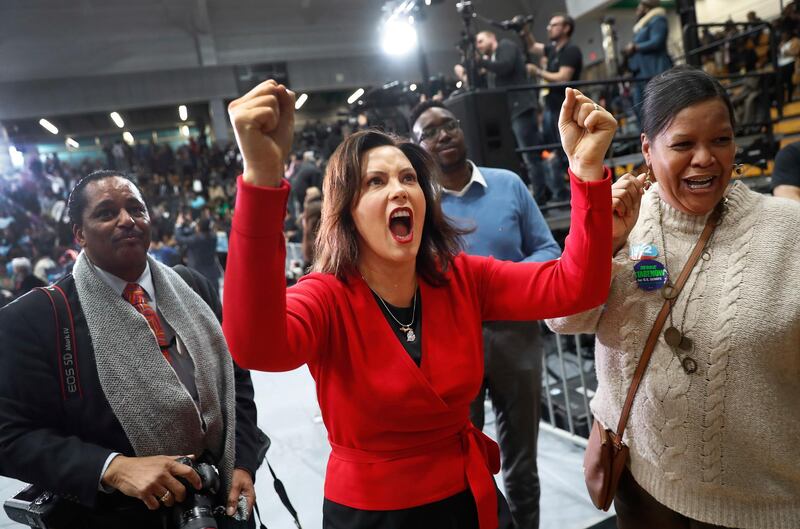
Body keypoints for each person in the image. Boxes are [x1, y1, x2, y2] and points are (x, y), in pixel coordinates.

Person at [223, 78, 616, 529]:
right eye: (376, 181)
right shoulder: (326, 296)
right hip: (372, 516)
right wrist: (260, 178)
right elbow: (254, 346)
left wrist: (586, 170)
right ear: (346, 211)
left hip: (468, 499)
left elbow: (575, 287)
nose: (399, 190)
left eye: (408, 177)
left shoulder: (461, 277)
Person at [547, 66, 800, 529]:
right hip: (642, 486)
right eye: (683, 145)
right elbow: (563, 320)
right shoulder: (624, 220)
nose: (704, 158)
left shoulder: (788, 230)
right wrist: (599, 242)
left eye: (720, 141)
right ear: (647, 150)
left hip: (761, 505)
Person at [0, 171, 264, 529]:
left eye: (136, 209)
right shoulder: (36, 318)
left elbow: (234, 380)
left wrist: (243, 463)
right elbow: (10, 435)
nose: (127, 220)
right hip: (120, 515)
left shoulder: (192, 288)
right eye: (107, 213)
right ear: (79, 233)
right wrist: (112, 467)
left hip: (217, 502)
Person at [410, 100, 561, 529]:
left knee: (522, 460)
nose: (444, 135)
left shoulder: (508, 184)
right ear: (418, 147)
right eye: (431, 131)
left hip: (516, 337)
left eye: (450, 125)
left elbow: (548, 250)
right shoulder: (416, 204)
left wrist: (498, 285)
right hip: (448, 344)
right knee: (459, 461)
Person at [521, 13, 583, 203]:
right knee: (555, 150)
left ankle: (577, 193)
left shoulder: (571, 50)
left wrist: (538, 71)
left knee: (567, 152)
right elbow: (532, 46)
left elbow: (563, 77)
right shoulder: (553, 49)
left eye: (554, 25)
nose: (549, 28)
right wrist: (524, 31)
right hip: (550, 109)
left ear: (566, 28)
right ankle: (563, 194)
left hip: (564, 108)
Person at [474, 31, 543, 195]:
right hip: (509, 112)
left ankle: (542, 194)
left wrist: (481, 62)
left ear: (492, 38)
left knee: (530, 155)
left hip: (521, 108)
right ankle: (530, 192)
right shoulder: (491, 60)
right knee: (519, 156)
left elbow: (505, 66)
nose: (479, 45)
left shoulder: (506, 46)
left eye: (481, 41)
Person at [624, 0, 673, 122]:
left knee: (658, 107)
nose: (637, 10)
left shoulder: (658, 20)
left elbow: (657, 41)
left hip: (654, 69)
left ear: (646, 8)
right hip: (641, 73)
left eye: (639, 7)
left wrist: (635, 47)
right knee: (640, 108)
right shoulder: (644, 25)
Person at [175, 216, 222, 287]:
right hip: (212, 273)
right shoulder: (213, 237)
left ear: (199, 227)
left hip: (197, 274)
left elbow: (180, 239)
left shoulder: (196, 239)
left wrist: (178, 225)